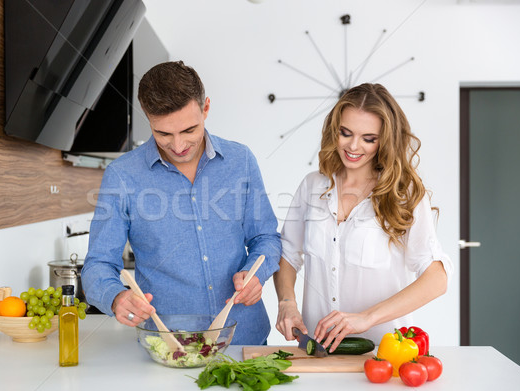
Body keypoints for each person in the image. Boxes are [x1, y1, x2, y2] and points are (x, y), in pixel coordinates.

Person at [81, 61, 281, 345]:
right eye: (163, 134)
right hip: (168, 345)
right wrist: (116, 297)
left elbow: (266, 238)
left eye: (189, 130)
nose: (178, 146)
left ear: (206, 109)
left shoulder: (241, 161)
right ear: (148, 119)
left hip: (244, 340)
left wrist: (255, 273)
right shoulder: (122, 175)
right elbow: (98, 263)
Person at [274, 83, 453, 351]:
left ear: (386, 141)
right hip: (316, 351)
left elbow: (437, 278)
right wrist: (286, 302)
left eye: (369, 138)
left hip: (386, 353)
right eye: (345, 133)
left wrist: (366, 318)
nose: (354, 146)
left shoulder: (404, 195)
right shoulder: (313, 186)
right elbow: (287, 253)